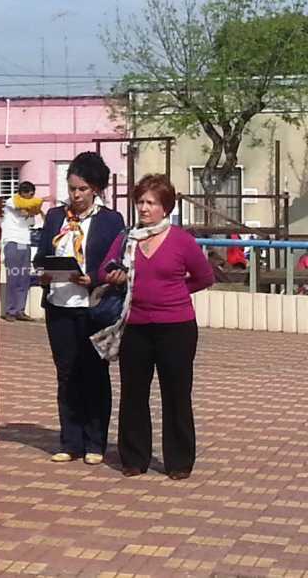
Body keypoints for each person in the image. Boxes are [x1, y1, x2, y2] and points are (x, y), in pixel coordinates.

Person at [94, 174, 214, 480]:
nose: (144, 208)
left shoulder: (181, 240)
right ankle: (134, 458)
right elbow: (103, 269)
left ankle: (179, 461)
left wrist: (174, 293)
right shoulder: (127, 239)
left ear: (165, 208)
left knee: (176, 394)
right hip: (135, 326)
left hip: (176, 327)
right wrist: (114, 277)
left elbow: (204, 277)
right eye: (141, 202)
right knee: (133, 393)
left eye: (151, 203)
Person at [33, 152, 125, 465]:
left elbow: (116, 263)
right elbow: (42, 255)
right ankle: (70, 441)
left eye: (82, 189)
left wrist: (93, 278)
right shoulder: (55, 217)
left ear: (95, 189)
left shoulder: (110, 220)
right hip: (59, 304)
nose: (76, 195)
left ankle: (95, 442)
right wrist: (44, 273)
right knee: (67, 373)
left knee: (94, 373)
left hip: (93, 306)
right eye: (72, 188)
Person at [1, 181, 44, 322]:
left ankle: (20, 310)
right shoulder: (12, 201)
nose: (31, 198)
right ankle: (10, 310)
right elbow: (23, 207)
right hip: (12, 241)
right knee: (13, 277)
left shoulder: (29, 206)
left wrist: (35, 210)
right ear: (23, 193)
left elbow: (30, 221)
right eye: (29, 195)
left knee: (24, 278)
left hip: (25, 242)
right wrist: (40, 201)